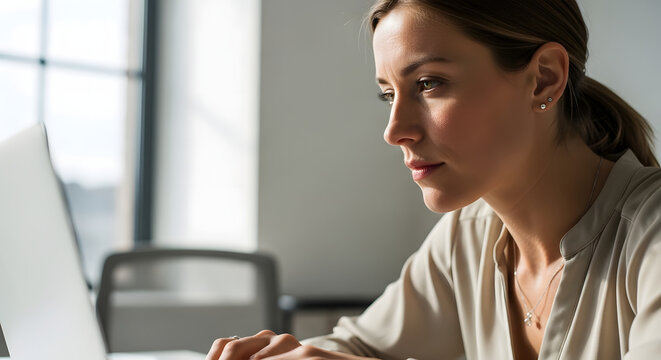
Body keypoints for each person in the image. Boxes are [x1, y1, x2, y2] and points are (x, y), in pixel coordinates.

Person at [206, 0, 661, 359]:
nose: (394, 130)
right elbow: (360, 347)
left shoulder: (650, 234)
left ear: (544, 79)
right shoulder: (467, 236)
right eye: (388, 94)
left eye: (429, 84)